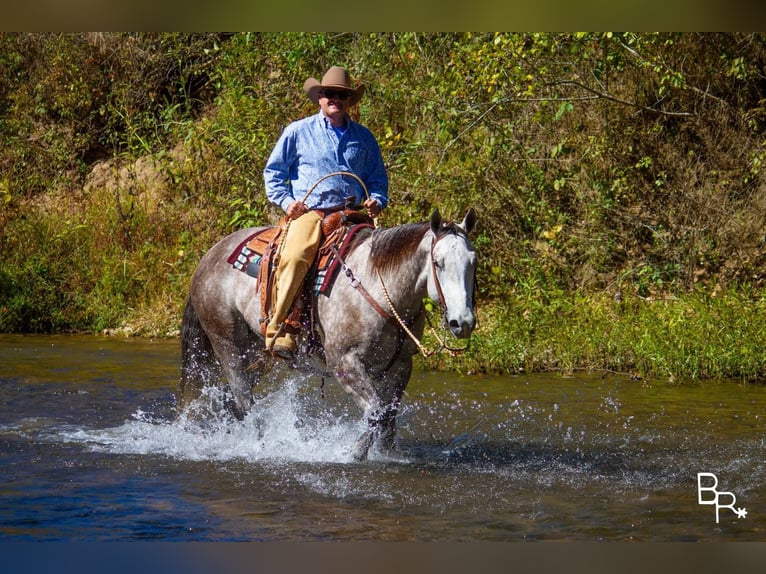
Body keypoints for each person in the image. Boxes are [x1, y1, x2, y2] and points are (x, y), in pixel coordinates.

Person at [263, 66, 389, 358]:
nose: (336, 99)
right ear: (320, 97)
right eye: (330, 94)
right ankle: (280, 328)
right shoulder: (297, 131)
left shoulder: (365, 138)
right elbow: (274, 172)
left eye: (342, 95)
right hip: (311, 212)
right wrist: (286, 202)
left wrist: (377, 200)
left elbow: (377, 179)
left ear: (349, 101)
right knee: (295, 256)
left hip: (353, 213)